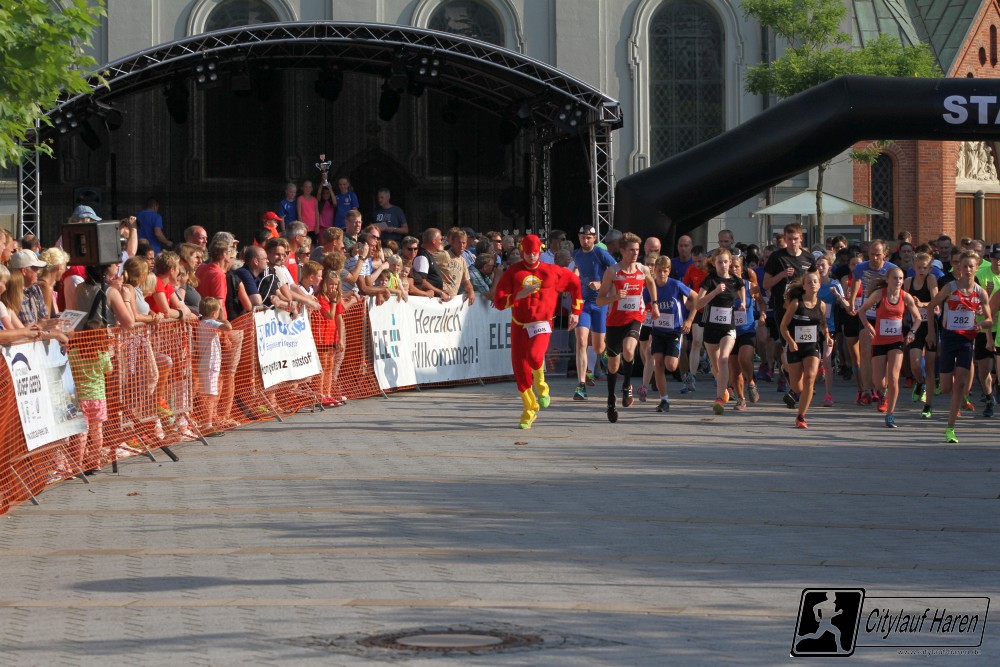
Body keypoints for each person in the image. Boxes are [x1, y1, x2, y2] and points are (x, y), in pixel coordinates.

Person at [493, 234, 582, 429]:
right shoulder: (513, 272)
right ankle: (529, 408)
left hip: (542, 323)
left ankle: (542, 386)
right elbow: (498, 302)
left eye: (534, 252)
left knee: (535, 357)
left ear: (539, 251)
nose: (532, 256)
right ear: (522, 251)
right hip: (519, 325)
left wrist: (576, 311)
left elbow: (575, 283)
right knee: (520, 370)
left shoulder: (551, 271)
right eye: (528, 253)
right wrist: (518, 295)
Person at [925, 250, 993, 443]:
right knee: (946, 387)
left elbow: (989, 319)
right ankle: (956, 395)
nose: (968, 270)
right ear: (959, 268)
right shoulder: (950, 287)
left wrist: (981, 324)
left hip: (966, 341)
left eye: (971, 266)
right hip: (948, 338)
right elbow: (930, 307)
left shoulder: (980, 292)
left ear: (977, 268)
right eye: (965, 266)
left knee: (961, 384)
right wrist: (931, 332)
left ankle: (950, 428)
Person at [595, 233, 658, 423]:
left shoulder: (642, 269)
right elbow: (599, 300)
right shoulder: (612, 272)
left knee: (630, 350)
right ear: (622, 250)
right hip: (614, 322)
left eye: (637, 250)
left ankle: (627, 386)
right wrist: (615, 297)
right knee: (613, 365)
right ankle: (610, 400)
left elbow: (651, 283)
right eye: (631, 250)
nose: (635, 253)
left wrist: (654, 304)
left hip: (635, 318)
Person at [856, 267, 922, 427]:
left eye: (900, 278)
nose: (898, 281)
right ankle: (883, 393)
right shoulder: (880, 294)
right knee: (878, 381)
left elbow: (918, 318)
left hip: (896, 341)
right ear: (887, 279)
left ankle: (890, 414)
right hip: (879, 341)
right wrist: (867, 326)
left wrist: (912, 332)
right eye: (895, 278)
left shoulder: (905, 297)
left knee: (893, 378)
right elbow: (862, 311)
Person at [763, 222, 816, 394]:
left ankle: (801, 383)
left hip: (804, 309)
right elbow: (766, 284)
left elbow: (815, 283)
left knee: (804, 345)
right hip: (783, 309)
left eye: (795, 239)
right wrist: (782, 275)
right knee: (788, 346)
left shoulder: (808, 258)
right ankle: (790, 377)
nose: (792, 242)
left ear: (801, 239)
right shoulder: (777, 257)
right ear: (784, 239)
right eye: (789, 239)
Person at [693, 248, 745, 415]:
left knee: (724, 359)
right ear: (714, 264)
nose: (723, 265)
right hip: (711, 328)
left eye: (726, 262)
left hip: (728, 327)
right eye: (720, 262)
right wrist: (715, 292)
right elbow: (698, 304)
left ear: (730, 262)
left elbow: (742, 287)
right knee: (715, 367)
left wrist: (743, 302)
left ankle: (719, 399)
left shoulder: (735, 280)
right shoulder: (710, 280)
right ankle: (725, 391)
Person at [643, 255, 695, 412]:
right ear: (654, 271)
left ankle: (681, 369)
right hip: (658, 330)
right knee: (658, 362)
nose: (662, 274)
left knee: (671, 366)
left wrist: (689, 320)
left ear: (669, 271)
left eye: (665, 271)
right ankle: (664, 399)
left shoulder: (676, 285)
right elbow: (642, 305)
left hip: (674, 331)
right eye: (659, 271)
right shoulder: (650, 288)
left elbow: (696, 298)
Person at [571, 225, 617, 400]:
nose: (585, 240)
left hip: (599, 303)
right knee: (581, 341)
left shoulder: (600, 253)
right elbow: (576, 269)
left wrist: (601, 284)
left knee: (597, 346)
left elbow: (617, 272)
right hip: (583, 303)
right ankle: (581, 385)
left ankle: (604, 350)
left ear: (594, 238)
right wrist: (573, 281)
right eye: (583, 237)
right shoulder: (576, 254)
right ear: (579, 237)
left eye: (589, 237)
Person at [905, 252, 939, 418]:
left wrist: (922, 304)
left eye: (925, 268)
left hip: (931, 326)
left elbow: (936, 305)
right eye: (919, 267)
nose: (922, 271)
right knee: (915, 365)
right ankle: (920, 383)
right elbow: (904, 303)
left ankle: (928, 405)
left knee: (930, 367)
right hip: (916, 327)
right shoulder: (908, 282)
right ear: (913, 267)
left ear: (930, 268)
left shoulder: (931, 280)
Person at [194, 297, 232, 436]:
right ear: (214, 312)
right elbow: (228, 327)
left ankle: (207, 422)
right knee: (209, 394)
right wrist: (222, 318)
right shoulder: (209, 322)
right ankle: (207, 424)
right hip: (209, 363)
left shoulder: (203, 322)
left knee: (209, 393)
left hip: (209, 363)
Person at [312, 271, 347, 407]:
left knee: (329, 367)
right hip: (321, 337)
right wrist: (333, 301)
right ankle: (319, 395)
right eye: (331, 284)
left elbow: (339, 318)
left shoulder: (335, 298)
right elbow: (330, 315)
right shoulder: (321, 297)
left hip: (332, 336)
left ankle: (327, 394)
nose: (333, 287)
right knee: (323, 366)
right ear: (325, 284)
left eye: (336, 285)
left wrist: (340, 338)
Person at [974, 243, 1000, 417]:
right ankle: (989, 398)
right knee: (984, 370)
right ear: (990, 258)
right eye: (995, 258)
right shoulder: (980, 275)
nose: (998, 261)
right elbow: (976, 304)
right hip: (985, 329)